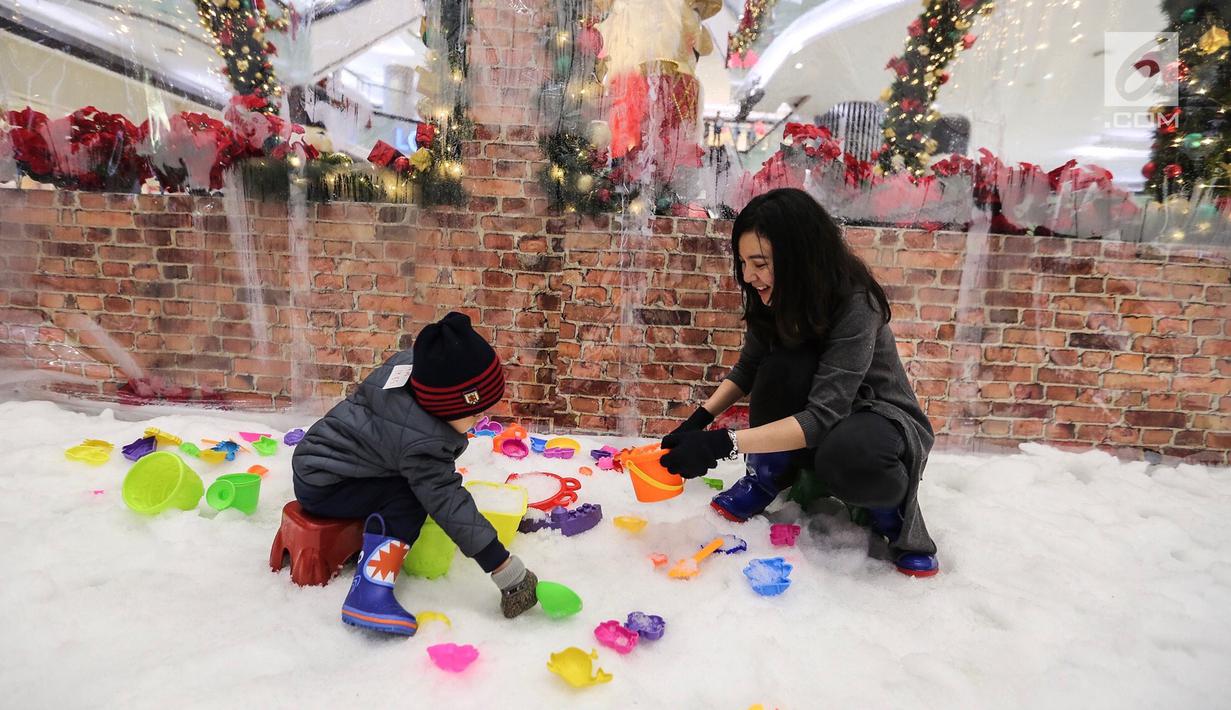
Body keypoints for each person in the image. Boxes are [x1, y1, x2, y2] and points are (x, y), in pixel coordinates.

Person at [659, 188, 939, 576]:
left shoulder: (856, 302)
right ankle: (767, 476)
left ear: (800, 258)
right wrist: (697, 422)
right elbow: (749, 369)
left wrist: (723, 442)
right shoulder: (774, 297)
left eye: (759, 262)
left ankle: (888, 511)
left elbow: (824, 416)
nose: (748, 275)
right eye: (742, 262)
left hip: (877, 420)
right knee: (778, 366)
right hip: (821, 416)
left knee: (850, 453)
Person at [292, 312, 539, 635]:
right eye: (475, 412)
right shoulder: (422, 442)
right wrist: (504, 568)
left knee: (414, 485)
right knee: (411, 496)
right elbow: (448, 503)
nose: (480, 420)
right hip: (328, 483)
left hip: (322, 462)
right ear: (444, 407)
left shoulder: (415, 369)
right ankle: (370, 593)